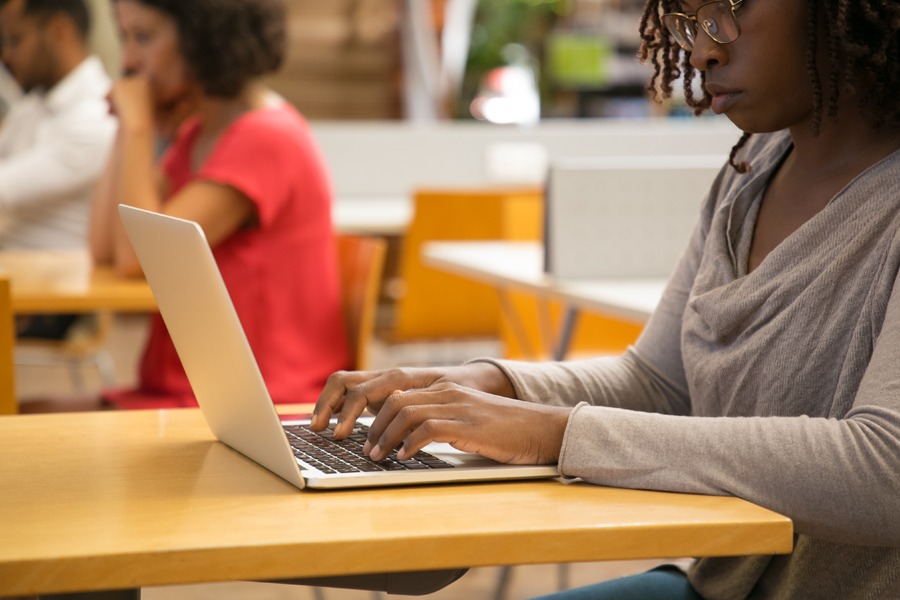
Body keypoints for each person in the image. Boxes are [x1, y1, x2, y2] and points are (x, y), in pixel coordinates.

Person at [312, 0, 900, 598]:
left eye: (724, 10)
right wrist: (483, 384)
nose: (702, 52)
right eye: (687, 25)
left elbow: (885, 471)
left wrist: (554, 433)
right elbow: (659, 384)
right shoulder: (748, 174)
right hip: (718, 585)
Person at [90, 0, 348, 409]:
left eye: (144, 36)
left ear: (202, 37)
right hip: (190, 392)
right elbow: (106, 247)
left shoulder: (266, 138)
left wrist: (138, 125)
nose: (130, 61)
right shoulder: (199, 132)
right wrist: (127, 127)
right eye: (126, 39)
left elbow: (138, 260)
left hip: (255, 403)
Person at [0, 0, 116, 339]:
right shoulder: (34, 105)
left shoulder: (96, 117)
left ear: (58, 31)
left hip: (52, 297)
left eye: (15, 40)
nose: (7, 56)